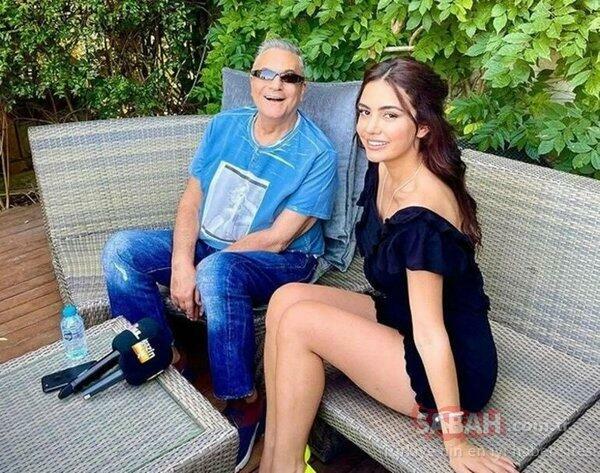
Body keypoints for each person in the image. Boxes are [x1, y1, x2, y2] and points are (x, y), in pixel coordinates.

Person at [259, 57, 518, 473]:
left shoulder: (421, 213)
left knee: (300, 322)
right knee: (286, 298)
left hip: (451, 360)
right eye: (365, 112)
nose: (371, 128)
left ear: (423, 126)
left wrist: (457, 443)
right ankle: (276, 456)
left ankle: (283, 468)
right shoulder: (384, 167)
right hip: (403, 317)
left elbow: (431, 332)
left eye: (390, 115)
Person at [101, 38, 338, 472]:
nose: (276, 85)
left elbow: (278, 238)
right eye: (266, 74)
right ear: (252, 81)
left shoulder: (318, 153)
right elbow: (191, 201)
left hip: (284, 260)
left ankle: (243, 399)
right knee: (122, 250)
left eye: (289, 77)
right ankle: (166, 355)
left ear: (302, 90)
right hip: (213, 245)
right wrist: (182, 263)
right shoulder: (224, 126)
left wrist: (204, 267)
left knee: (218, 270)